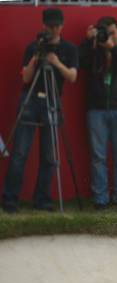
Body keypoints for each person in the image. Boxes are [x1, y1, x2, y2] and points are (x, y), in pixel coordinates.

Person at [2, 8, 78, 213]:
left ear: (62, 26)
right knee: (19, 152)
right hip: (29, 100)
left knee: (49, 155)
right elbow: (26, 78)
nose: (53, 30)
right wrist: (37, 56)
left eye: (57, 26)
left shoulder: (69, 49)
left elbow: (72, 77)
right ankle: (10, 200)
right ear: (43, 26)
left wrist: (56, 62)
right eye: (50, 26)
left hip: (52, 101)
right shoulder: (32, 48)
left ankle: (42, 199)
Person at [79, 16, 117, 209]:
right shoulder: (94, 48)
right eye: (106, 33)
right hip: (97, 108)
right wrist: (90, 41)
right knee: (98, 157)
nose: (109, 36)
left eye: (113, 32)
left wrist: (112, 47)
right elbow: (81, 62)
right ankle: (100, 199)